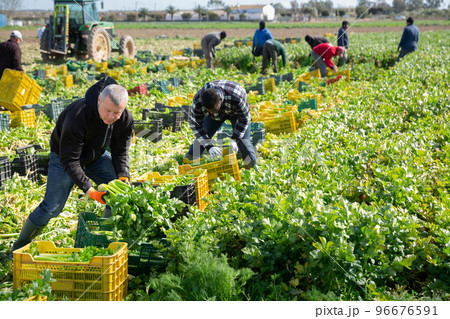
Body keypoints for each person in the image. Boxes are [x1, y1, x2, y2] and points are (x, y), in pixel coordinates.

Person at [10, 77, 134, 256]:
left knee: (120, 193)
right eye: (107, 110)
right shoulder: (78, 115)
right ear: (99, 100)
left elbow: (120, 150)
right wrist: (89, 190)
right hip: (64, 157)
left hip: (96, 156)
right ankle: (18, 248)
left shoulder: (124, 119)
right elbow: (69, 160)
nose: (111, 117)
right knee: (52, 207)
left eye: (117, 113)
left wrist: (123, 176)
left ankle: (106, 242)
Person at [184, 80, 257, 169]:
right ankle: (190, 160)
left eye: (214, 109)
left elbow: (245, 119)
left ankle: (251, 168)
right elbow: (196, 126)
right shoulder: (198, 101)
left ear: (221, 100)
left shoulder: (237, 97)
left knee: (243, 141)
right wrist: (209, 146)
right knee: (204, 135)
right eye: (208, 110)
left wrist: (235, 139)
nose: (212, 112)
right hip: (213, 118)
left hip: (235, 113)